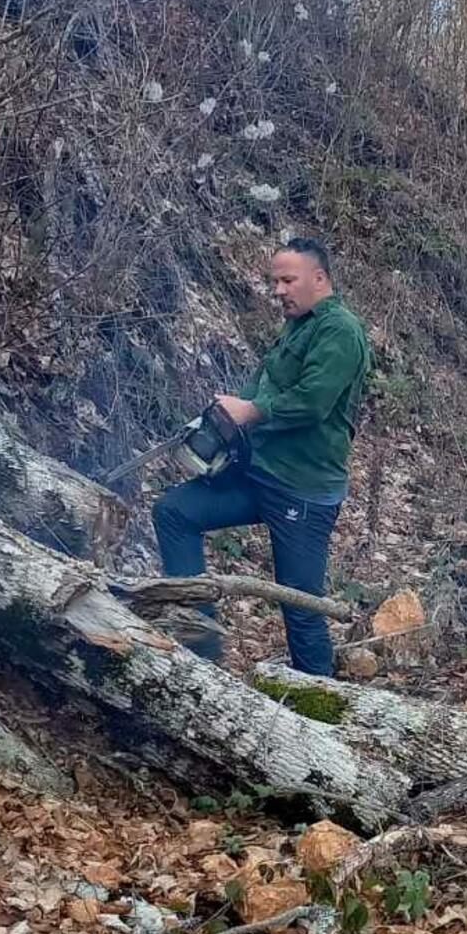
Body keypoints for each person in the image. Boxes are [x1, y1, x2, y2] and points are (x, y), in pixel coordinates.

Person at [153, 234, 370, 676]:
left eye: (288, 280)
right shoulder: (298, 326)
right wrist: (224, 416)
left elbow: (312, 401)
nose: (279, 291)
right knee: (174, 512)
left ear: (319, 277)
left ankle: (320, 703)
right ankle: (200, 653)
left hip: (303, 491)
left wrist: (249, 411)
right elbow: (266, 386)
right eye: (275, 282)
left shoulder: (340, 330)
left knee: (300, 602)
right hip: (261, 475)